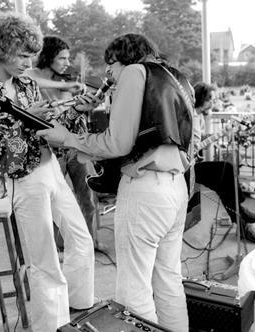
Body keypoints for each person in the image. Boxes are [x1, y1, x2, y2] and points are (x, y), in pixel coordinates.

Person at [37, 33, 192, 332]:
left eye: (111, 66)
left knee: (134, 292)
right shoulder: (177, 79)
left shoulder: (135, 72)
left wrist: (66, 137)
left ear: (128, 58)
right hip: (175, 187)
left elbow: (118, 143)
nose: (108, 74)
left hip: (145, 189)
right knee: (168, 281)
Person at [0, 11, 94, 331]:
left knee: (82, 240)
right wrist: (24, 121)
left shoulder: (26, 83)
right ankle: (53, 325)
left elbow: (43, 126)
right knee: (45, 264)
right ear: (1, 49)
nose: (26, 62)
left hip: (52, 170)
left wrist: (74, 109)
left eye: (31, 56)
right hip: (23, 180)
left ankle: (81, 309)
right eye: (22, 55)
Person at [25, 36, 97, 250]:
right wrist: (64, 85)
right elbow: (32, 80)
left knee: (88, 197)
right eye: (62, 58)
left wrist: (82, 99)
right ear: (48, 58)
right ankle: (59, 248)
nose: (67, 63)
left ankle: (88, 244)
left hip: (72, 145)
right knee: (56, 203)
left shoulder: (66, 82)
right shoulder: (31, 76)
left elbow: (68, 114)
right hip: (50, 150)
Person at [192, 82, 255, 244]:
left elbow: (200, 140)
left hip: (193, 163)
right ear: (200, 98)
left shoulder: (200, 118)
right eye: (210, 98)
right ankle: (242, 215)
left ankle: (243, 224)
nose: (212, 102)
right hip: (186, 167)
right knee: (226, 169)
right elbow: (192, 146)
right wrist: (210, 138)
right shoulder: (189, 116)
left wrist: (221, 133)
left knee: (224, 185)